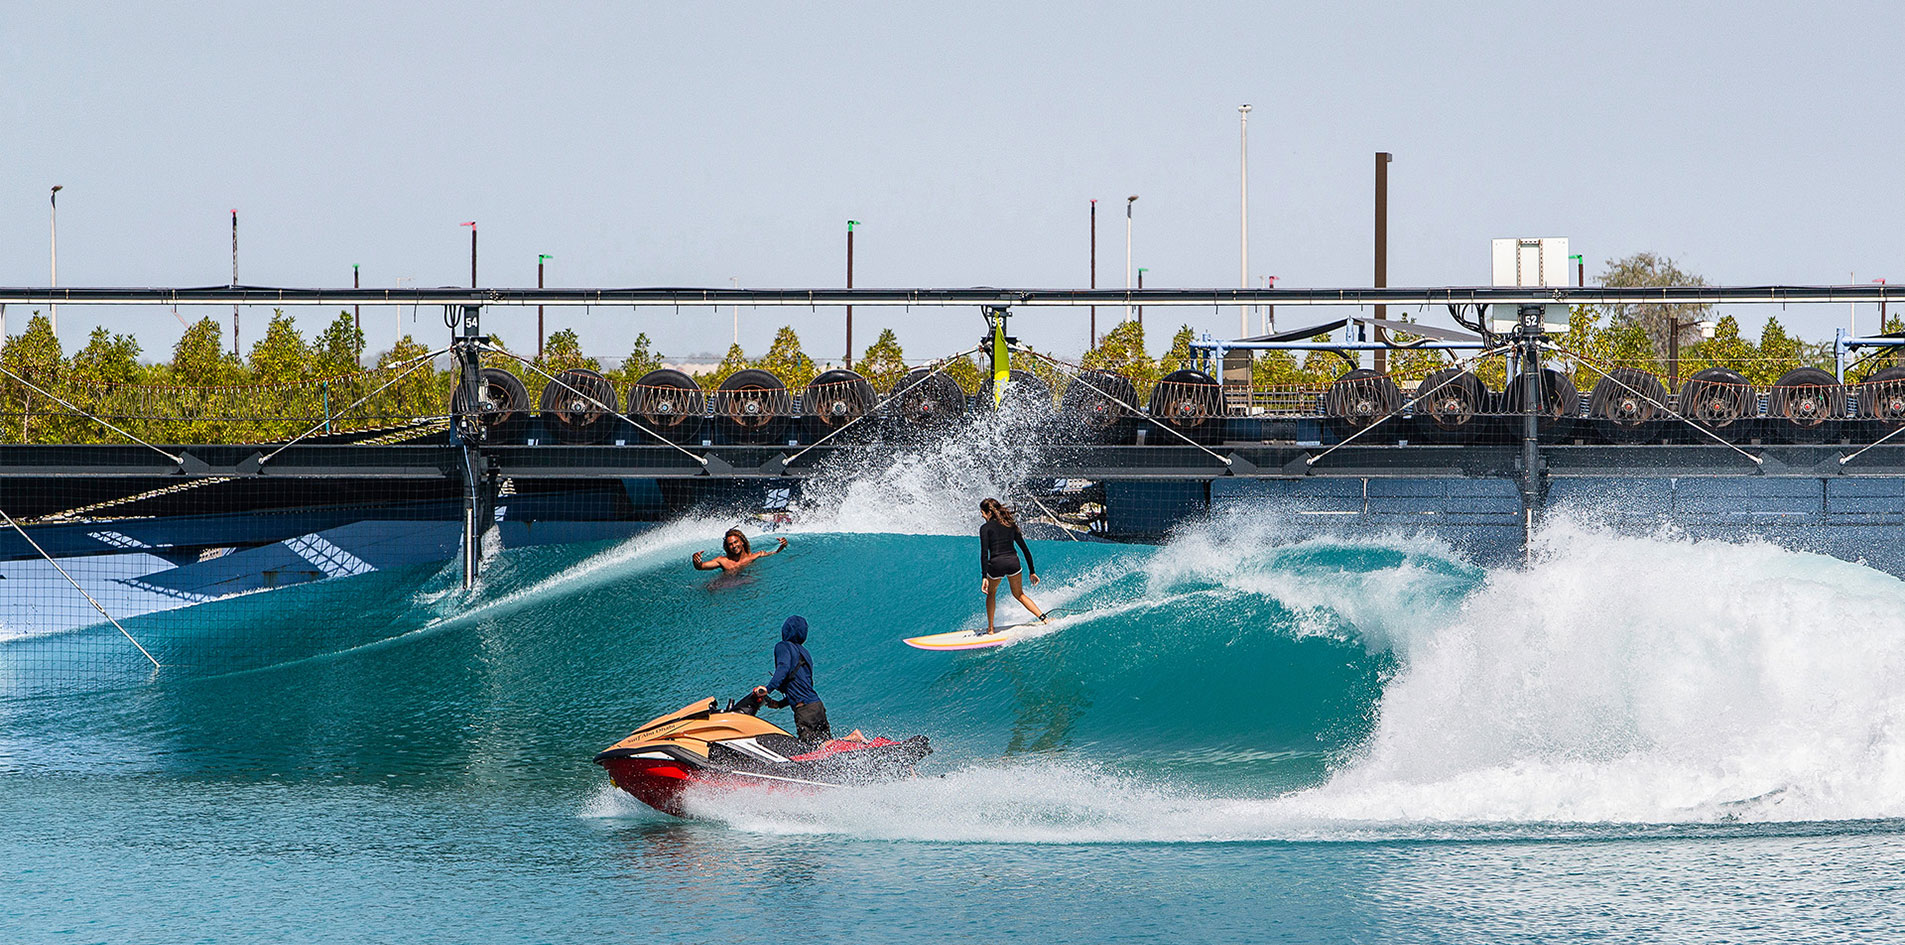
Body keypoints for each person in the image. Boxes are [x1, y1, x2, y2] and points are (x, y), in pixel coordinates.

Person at [751, 615, 832, 743]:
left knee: (809, 748)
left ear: (786, 629)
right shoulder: (805, 654)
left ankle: (852, 738)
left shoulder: (783, 646)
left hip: (805, 711)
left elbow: (783, 667)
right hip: (816, 705)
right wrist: (780, 704)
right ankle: (852, 739)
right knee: (827, 746)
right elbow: (803, 686)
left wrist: (767, 689)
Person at [978, 497, 1046, 634]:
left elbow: (984, 553)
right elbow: (1025, 549)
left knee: (991, 593)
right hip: (1013, 563)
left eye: (983, 513)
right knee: (1019, 594)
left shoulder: (985, 528)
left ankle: (990, 629)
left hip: (996, 564)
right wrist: (1032, 571)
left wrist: (984, 576)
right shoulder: (1011, 525)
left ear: (989, 513)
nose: (982, 516)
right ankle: (1044, 618)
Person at [692, 528, 786, 573]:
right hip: (725, 585)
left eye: (736, 542)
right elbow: (700, 567)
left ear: (742, 542)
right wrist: (696, 559)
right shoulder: (723, 561)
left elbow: (775, 553)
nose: (734, 546)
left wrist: (783, 545)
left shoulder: (757, 555)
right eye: (730, 544)